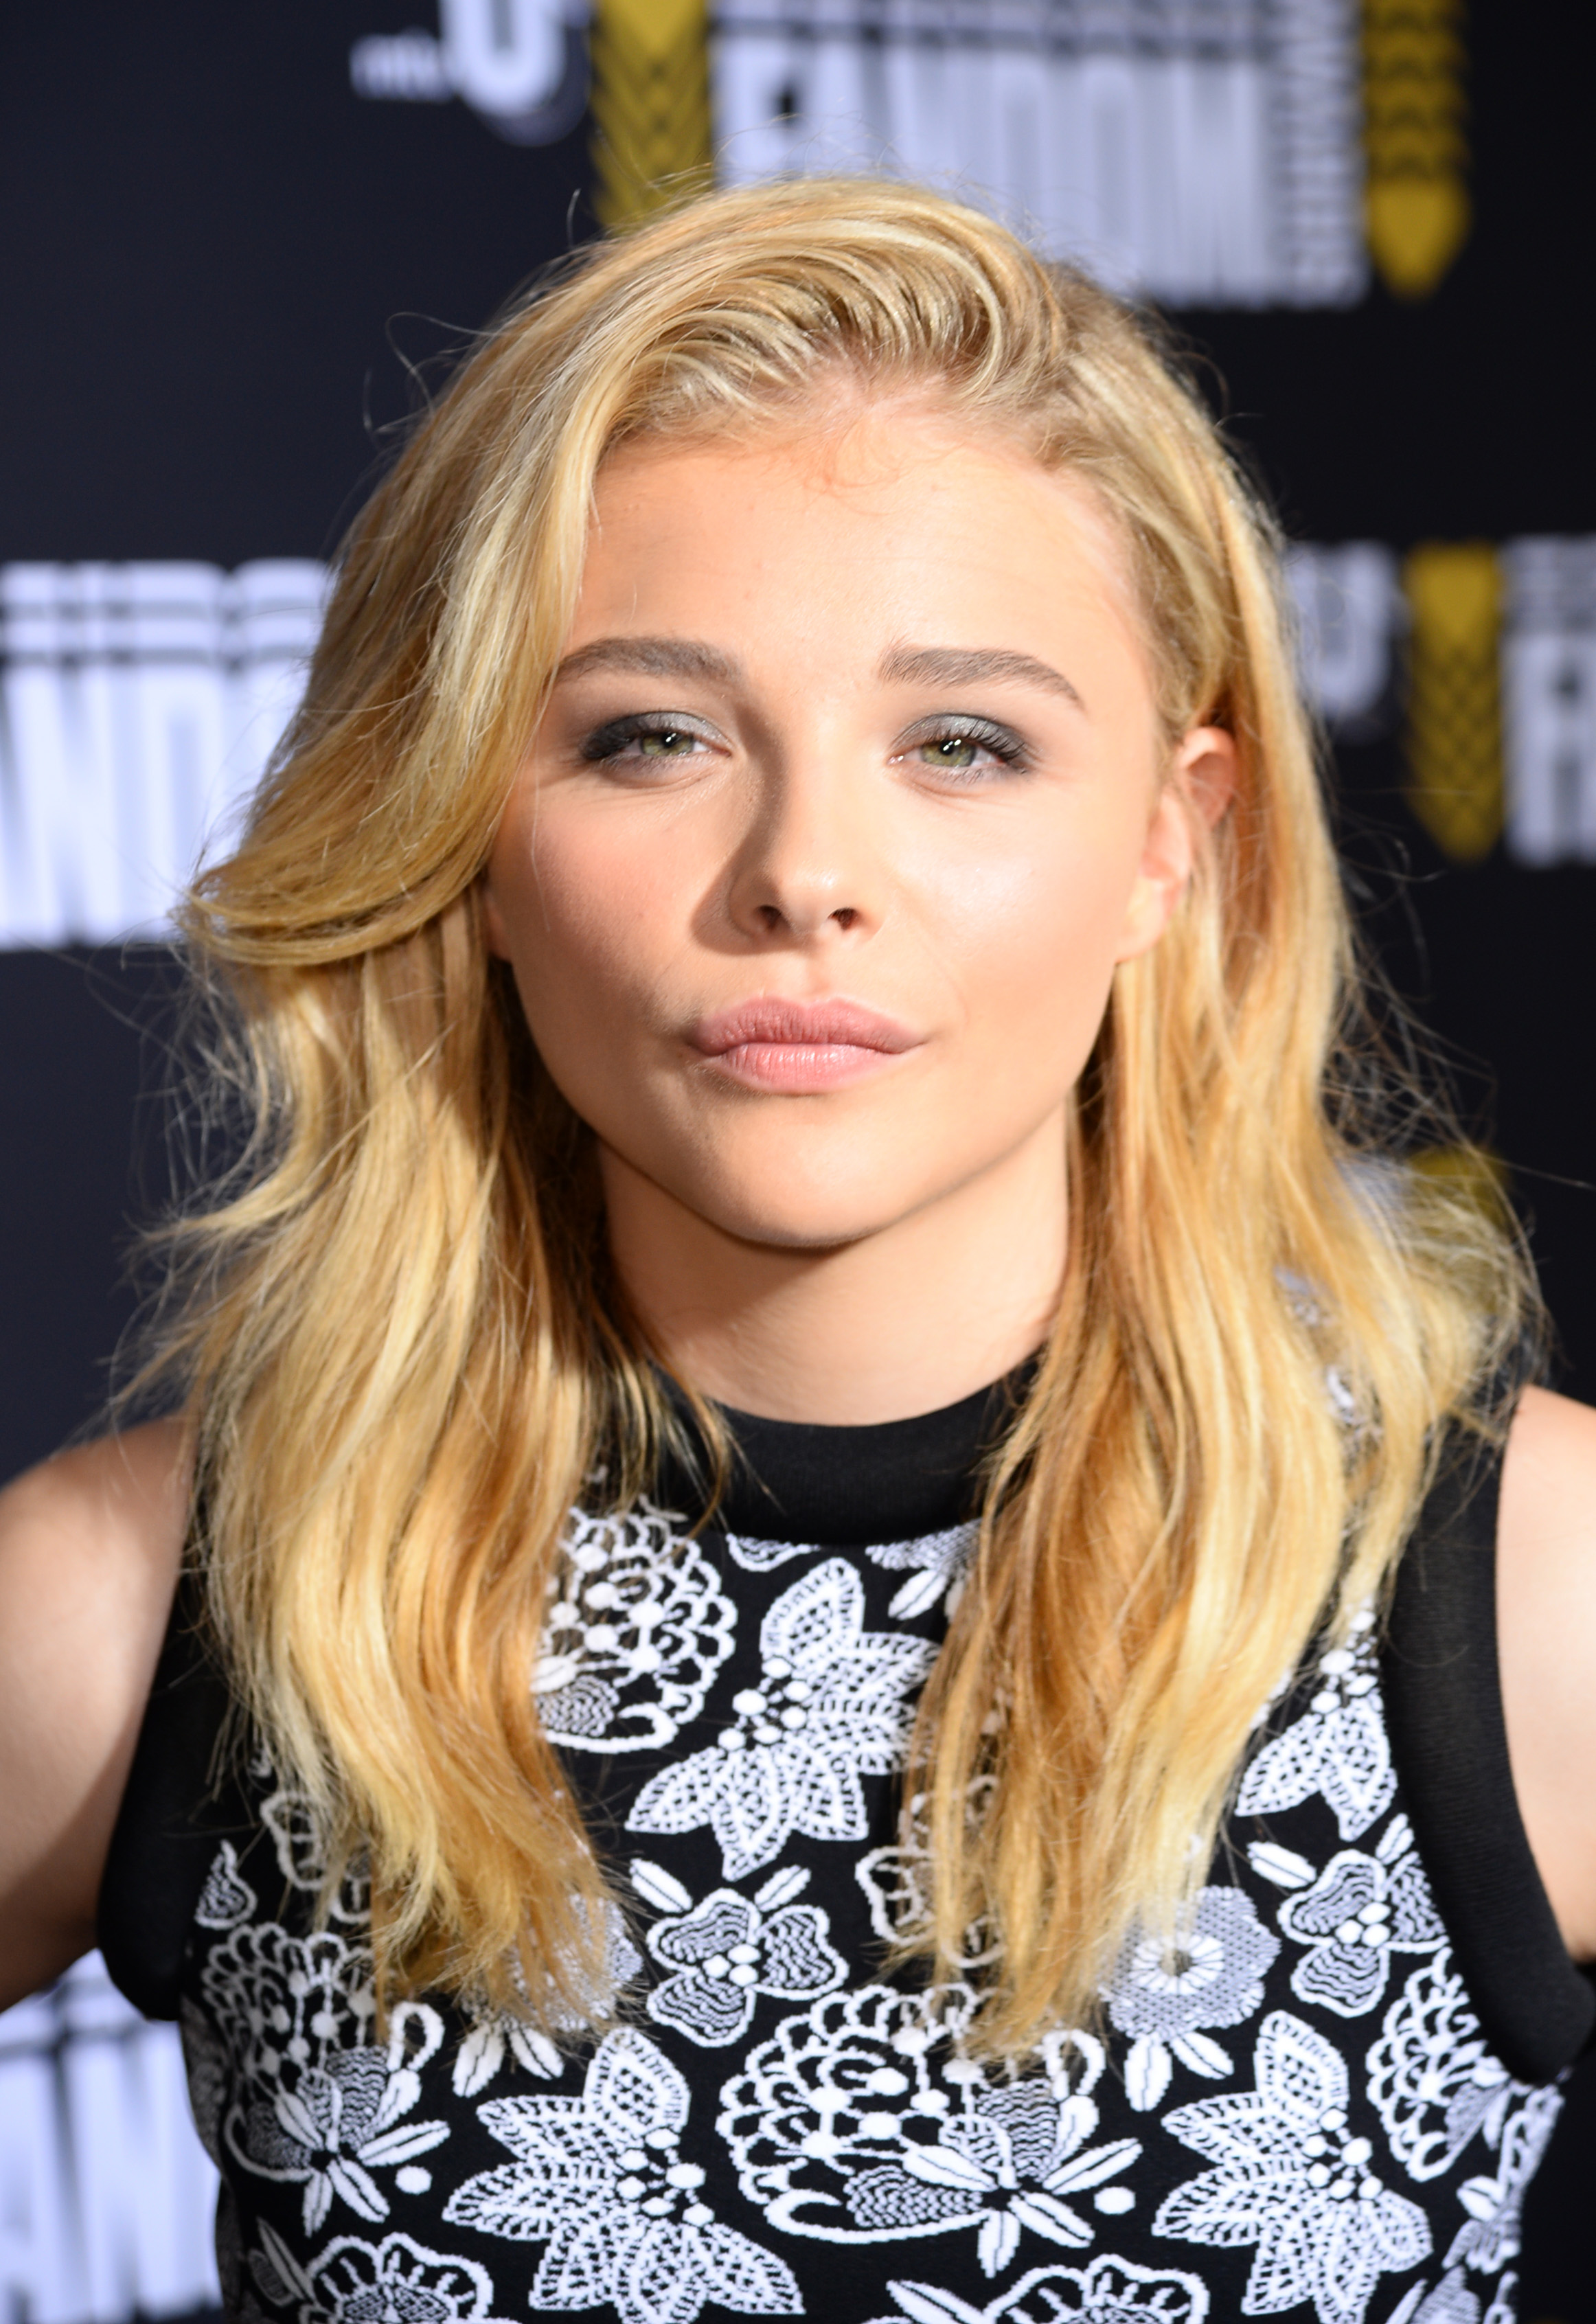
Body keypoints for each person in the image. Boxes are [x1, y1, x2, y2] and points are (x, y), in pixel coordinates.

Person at [2, 177, 1594, 2324]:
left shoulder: (1534, 1592)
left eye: (962, 744)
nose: (802, 873)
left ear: (1171, 844)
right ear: (467, 831)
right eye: (648, 735)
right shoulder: (152, 1600)